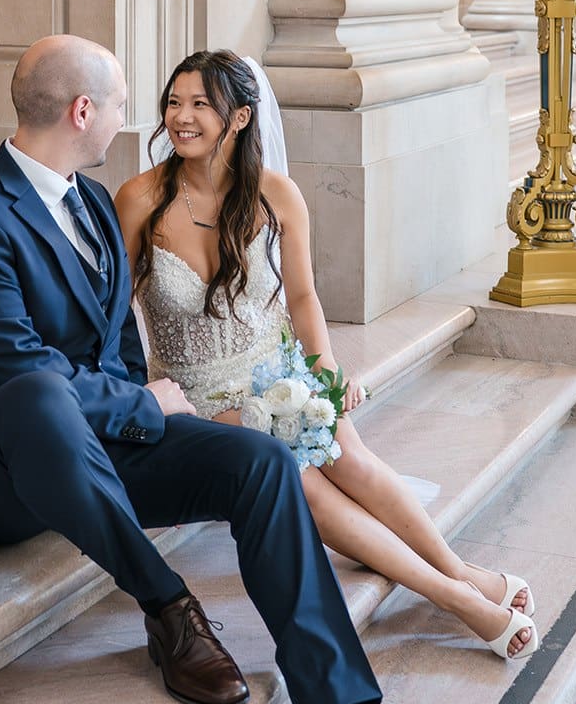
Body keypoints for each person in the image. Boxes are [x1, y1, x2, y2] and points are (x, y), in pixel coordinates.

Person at [0, 35, 484, 704]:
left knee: (259, 461)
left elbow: (118, 348)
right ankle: (169, 609)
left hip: (88, 441)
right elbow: (12, 370)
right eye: (125, 102)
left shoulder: (91, 201)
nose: (139, 118)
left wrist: (145, 409)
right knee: (37, 398)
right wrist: (142, 406)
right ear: (83, 110)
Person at [115, 49, 539, 662]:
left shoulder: (277, 195)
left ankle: (461, 571)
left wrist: (324, 367)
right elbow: (114, 314)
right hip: (197, 398)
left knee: (350, 455)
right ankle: (458, 598)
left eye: (201, 104)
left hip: (273, 372)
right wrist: (142, 401)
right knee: (304, 484)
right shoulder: (140, 198)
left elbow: (305, 297)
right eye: (174, 102)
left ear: (238, 118)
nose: (181, 117)